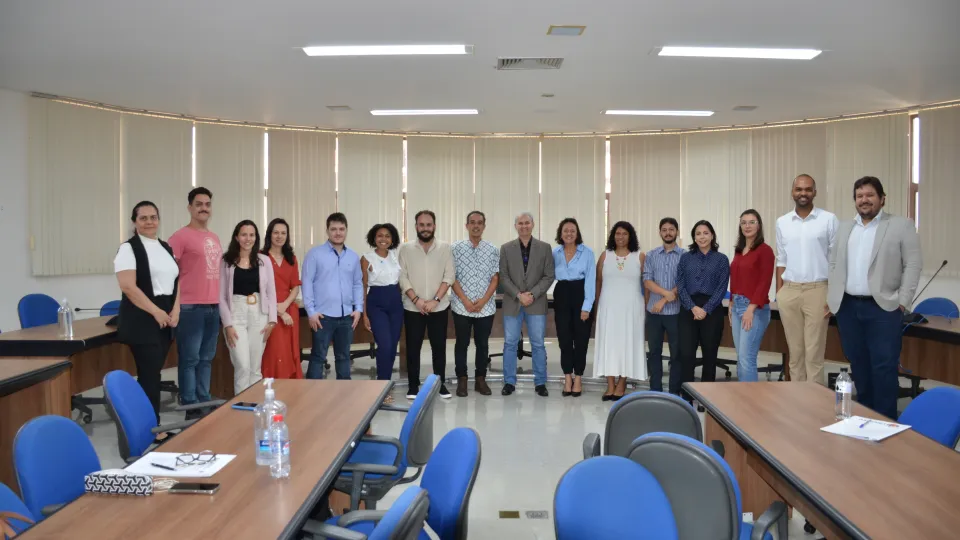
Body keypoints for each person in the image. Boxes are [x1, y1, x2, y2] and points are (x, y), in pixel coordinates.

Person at [828, 176, 921, 419]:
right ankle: (863, 418)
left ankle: (885, 422)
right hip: (848, 307)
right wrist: (833, 297)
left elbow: (913, 264)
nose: (864, 200)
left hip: (884, 308)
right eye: (859, 196)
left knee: (884, 368)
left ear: (882, 199)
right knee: (859, 366)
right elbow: (834, 262)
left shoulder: (900, 225)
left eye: (870, 195)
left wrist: (903, 301)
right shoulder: (845, 227)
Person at [114, 201, 180, 422]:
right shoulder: (128, 248)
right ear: (134, 222)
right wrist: (156, 312)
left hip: (166, 318)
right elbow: (128, 287)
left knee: (153, 373)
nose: (149, 222)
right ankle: (152, 427)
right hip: (143, 319)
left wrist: (176, 309)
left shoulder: (165, 247)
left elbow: (177, 280)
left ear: (159, 220)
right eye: (143, 218)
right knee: (149, 376)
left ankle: (148, 421)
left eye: (153, 217)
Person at [775, 174, 838, 384]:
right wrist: (779, 293)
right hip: (789, 291)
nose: (803, 193)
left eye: (808, 189)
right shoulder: (782, 222)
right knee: (795, 353)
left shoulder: (828, 220)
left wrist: (834, 295)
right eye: (799, 189)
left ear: (815, 192)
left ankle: (814, 405)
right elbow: (781, 259)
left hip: (818, 290)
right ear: (792, 192)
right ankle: (796, 403)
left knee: (814, 354)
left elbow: (835, 260)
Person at [168, 187, 221, 418]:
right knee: (190, 359)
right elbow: (170, 274)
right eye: (199, 204)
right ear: (190, 207)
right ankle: (190, 406)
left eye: (207, 204)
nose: (204, 208)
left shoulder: (214, 237)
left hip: (213, 305)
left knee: (206, 358)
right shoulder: (179, 237)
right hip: (190, 307)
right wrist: (175, 306)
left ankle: (203, 400)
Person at [399, 210, 456, 399]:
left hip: (438, 307)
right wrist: (417, 300)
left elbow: (449, 276)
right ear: (416, 226)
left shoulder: (445, 248)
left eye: (428, 225)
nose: (425, 228)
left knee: (438, 347)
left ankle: (440, 385)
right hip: (412, 307)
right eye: (421, 225)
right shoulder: (406, 249)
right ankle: (413, 386)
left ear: (434, 226)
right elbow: (402, 276)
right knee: (413, 348)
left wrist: (435, 301)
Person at [302, 213, 363, 380]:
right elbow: (307, 283)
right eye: (333, 229)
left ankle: (343, 399)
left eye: (341, 229)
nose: (338, 233)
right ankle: (312, 397)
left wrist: (358, 309)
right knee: (318, 357)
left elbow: (358, 283)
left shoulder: (353, 256)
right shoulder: (314, 254)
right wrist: (311, 311)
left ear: (346, 231)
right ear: (327, 231)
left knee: (344, 358)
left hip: (347, 317)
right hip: (322, 317)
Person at [500, 212, 555, 397]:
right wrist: (518, 294)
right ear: (515, 226)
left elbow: (549, 275)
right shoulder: (506, 248)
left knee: (538, 343)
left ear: (533, 225)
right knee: (510, 343)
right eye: (520, 223)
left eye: (527, 223)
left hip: (536, 302)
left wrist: (532, 294)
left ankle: (540, 382)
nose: (524, 226)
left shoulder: (545, 248)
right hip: (513, 302)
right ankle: (509, 381)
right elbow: (504, 276)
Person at [219, 220, 277, 394]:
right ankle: (242, 406)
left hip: (259, 314)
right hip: (236, 313)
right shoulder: (226, 261)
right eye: (244, 234)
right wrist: (227, 325)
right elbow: (220, 296)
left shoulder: (264, 261)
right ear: (237, 237)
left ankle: (256, 406)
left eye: (252, 235)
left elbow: (271, 293)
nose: (248, 239)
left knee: (255, 368)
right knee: (242, 365)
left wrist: (272, 321)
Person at [677, 220, 730, 402]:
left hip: (712, 310)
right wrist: (692, 307)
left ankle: (707, 400)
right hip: (688, 308)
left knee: (709, 355)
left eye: (705, 233)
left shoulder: (721, 259)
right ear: (694, 237)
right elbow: (680, 284)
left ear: (712, 235)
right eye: (698, 233)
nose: (702, 237)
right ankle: (686, 399)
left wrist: (705, 309)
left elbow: (722, 288)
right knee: (687, 355)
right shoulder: (685, 258)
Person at [594, 221, 646, 401]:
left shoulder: (640, 256)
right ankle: (610, 385)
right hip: (608, 306)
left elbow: (645, 285)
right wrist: (597, 305)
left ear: (630, 236)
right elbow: (598, 282)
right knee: (609, 344)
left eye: (624, 233)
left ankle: (622, 382)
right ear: (612, 236)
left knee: (627, 344)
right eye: (617, 233)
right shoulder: (605, 256)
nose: (621, 237)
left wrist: (646, 308)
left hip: (632, 307)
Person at [450, 211, 499, 398]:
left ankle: (480, 379)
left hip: (485, 308)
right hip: (462, 306)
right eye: (472, 222)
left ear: (484, 226)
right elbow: (451, 277)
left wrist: (483, 301)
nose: (476, 226)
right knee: (461, 344)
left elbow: (495, 278)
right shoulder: (455, 248)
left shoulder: (492, 249)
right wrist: (465, 301)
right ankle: (462, 379)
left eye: (479, 223)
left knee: (482, 344)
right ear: (466, 225)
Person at [729, 210, 775, 382]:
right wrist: (732, 302)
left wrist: (750, 309)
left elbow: (764, 282)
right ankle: (742, 399)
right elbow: (735, 278)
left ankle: (751, 403)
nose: (747, 226)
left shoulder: (765, 251)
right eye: (743, 222)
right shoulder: (739, 251)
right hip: (737, 306)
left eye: (751, 222)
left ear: (759, 225)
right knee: (741, 358)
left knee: (747, 359)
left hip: (754, 309)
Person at [552, 218, 596, 398]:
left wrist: (586, 307)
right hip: (562, 293)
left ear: (577, 233)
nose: (569, 234)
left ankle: (578, 377)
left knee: (581, 340)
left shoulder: (587, 253)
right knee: (564, 340)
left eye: (572, 230)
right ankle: (567, 376)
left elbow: (591, 281)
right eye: (565, 231)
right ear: (560, 234)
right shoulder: (555, 252)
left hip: (581, 294)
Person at [643, 217, 684, 394]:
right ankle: (655, 390)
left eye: (671, 229)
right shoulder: (651, 255)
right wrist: (666, 294)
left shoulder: (685, 256)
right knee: (654, 353)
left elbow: (684, 282)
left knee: (676, 354)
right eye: (664, 229)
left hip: (676, 312)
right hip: (654, 313)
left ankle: (674, 391)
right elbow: (647, 280)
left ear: (677, 232)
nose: (668, 232)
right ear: (660, 232)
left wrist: (664, 299)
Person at [361, 223, 403, 390]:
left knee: (392, 346)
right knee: (384, 345)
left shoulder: (395, 256)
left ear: (392, 239)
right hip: (376, 303)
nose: (383, 239)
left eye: (387, 236)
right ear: (374, 238)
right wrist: (364, 314)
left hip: (395, 303)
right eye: (380, 235)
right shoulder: (366, 258)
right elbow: (363, 287)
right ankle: (382, 386)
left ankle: (386, 384)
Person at [261, 218, 303, 380]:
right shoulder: (260, 257)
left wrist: (285, 306)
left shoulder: (291, 258)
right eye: (276, 232)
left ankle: (291, 393)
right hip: (268, 312)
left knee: (289, 352)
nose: (279, 236)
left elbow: (295, 286)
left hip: (289, 311)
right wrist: (278, 311)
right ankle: (272, 391)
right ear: (269, 235)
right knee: (273, 352)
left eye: (283, 233)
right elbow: (260, 289)